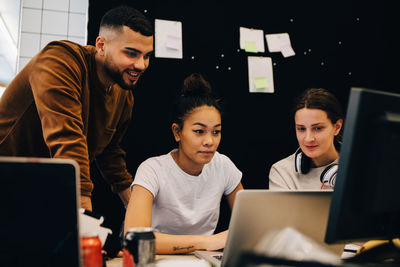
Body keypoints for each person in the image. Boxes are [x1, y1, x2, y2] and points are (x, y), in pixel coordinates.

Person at [0, 6, 154, 211]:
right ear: (101, 45)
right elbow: (67, 138)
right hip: (6, 177)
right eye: (131, 53)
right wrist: (83, 210)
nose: (141, 65)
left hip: (38, 187)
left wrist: (135, 208)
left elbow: (109, 152)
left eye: (146, 56)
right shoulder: (59, 60)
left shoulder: (123, 95)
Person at [124, 73, 243, 254]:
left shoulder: (223, 165)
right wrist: (207, 242)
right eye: (199, 131)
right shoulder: (152, 169)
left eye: (216, 132)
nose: (210, 141)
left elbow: (249, 227)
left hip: (204, 261)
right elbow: (134, 238)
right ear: (177, 132)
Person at [269, 88, 344, 190]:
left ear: (337, 127)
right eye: (301, 129)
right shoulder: (282, 172)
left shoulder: (361, 168)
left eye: (317, 128)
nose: (308, 139)